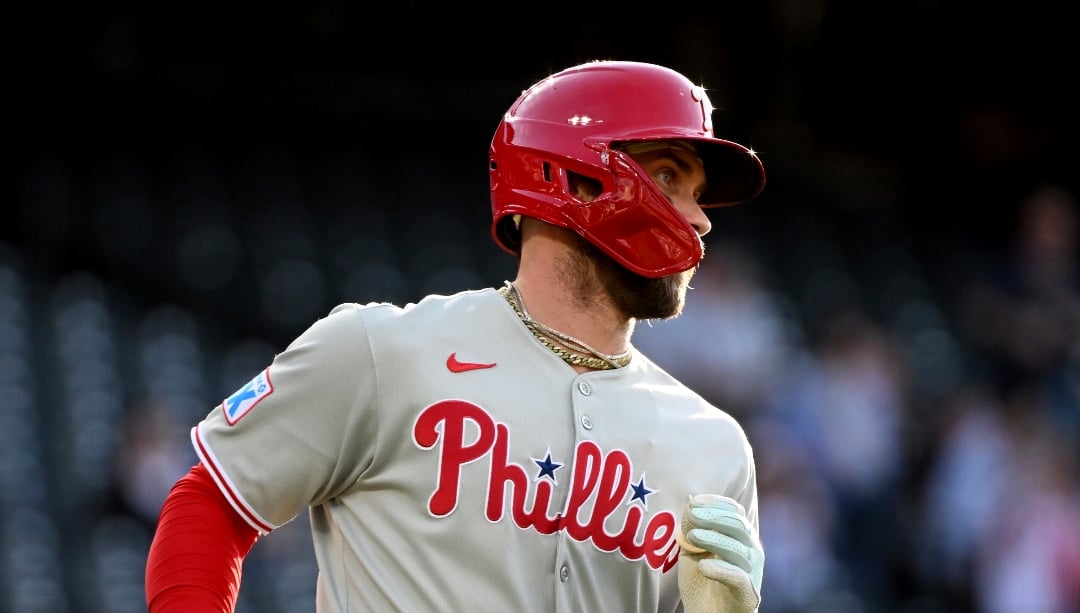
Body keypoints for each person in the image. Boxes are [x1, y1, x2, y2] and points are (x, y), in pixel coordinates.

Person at [144, 59, 767, 613]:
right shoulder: (382, 351)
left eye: (699, 195)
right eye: (669, 177)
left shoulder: (716, 448)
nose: (698, 218)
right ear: (575, 178)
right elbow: (210, 506)